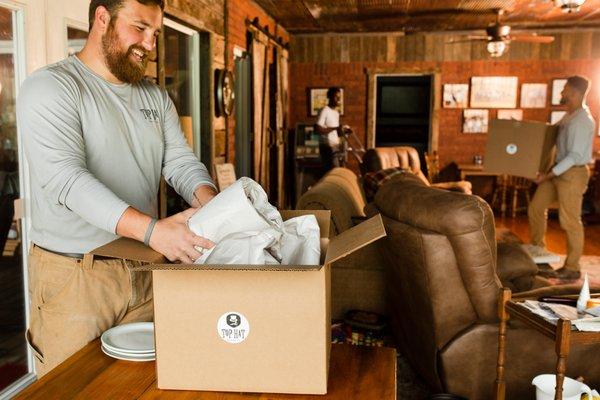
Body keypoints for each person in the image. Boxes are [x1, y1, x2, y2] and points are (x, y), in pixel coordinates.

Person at [17, 0, 217, 376]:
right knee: (70, 388)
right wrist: (154, 230)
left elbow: (179, 162)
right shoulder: (50, 87)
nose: (150, 44)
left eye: (155, 33)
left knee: (143, 385)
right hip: (75, 277)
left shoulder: (155, 97)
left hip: (145, 263)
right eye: (140, 28)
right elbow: (67, 179)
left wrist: (215, 207)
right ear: (102, 18)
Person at [525, 76, 595, 280]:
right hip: (557, 171)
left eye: (564, 90)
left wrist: (548, 175)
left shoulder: (583, 121)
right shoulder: (568, 117)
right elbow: (549, 135)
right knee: (536, 208)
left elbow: (573, 156)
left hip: (573, 174)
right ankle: (539, 252)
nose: (562, 94)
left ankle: (572, 267)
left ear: (575, 92)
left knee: (570, 221)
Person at [315, 87, 346, 172]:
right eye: (336, 97)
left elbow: (336, 132)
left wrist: (343, 131)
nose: (338, 99)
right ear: (329, 97)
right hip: (327, 147)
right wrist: (335, 128)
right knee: (334, 172)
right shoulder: (324, 110)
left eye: (339, 97)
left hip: (335, 146)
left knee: (338, 171)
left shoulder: (336, 113)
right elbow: (318, 129)